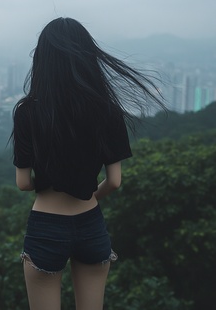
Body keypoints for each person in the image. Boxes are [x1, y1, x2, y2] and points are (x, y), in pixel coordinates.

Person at [12, 17, 165, 310]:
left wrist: (46, 181)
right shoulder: (107, 110)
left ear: (43, 59)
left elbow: (22, 183)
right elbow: (115, 181)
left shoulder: (28, 112)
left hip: (46, 226)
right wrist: (90, 194)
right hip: (91, 225)